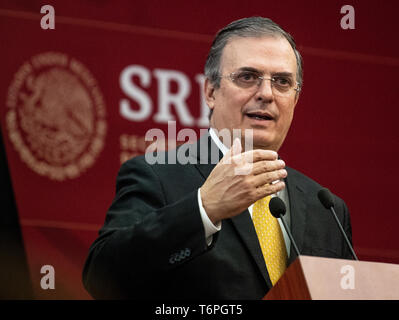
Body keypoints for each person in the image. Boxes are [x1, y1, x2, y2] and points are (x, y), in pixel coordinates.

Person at [82, 16, 354, 300]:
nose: (266, 93)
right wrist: (204, 209)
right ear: (211, 92)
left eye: (282, 82)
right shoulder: (157, 176)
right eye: (247, 77)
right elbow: (102, 276)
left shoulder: (327, 209)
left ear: (295, 100)